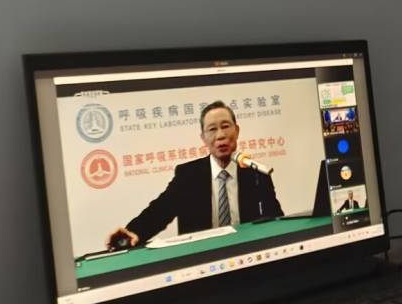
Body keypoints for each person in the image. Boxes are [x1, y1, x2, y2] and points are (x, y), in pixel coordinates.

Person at [109, 101, 283, 248]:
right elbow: (159, 211)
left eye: (225, 126)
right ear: (203, 138)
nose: (220, 135)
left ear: (237, 130)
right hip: (202, 259)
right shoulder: (188, 175)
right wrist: (132, 233)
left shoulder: (256, 173)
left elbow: (276, 219)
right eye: (212, 129)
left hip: (247, 254)